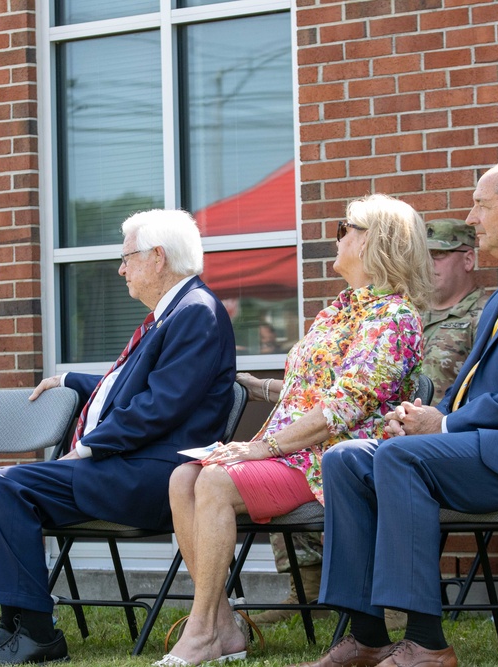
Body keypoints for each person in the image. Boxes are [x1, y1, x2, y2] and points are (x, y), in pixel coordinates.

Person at [304, 160, 498, 667]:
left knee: (403, 459)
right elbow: (470, 390)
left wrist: (444, 426)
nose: (470, 218)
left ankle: (427, 644)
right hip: (492, 447)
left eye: (481, 205)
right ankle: (367, 637)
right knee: (345, 458)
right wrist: (425, 415)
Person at [0, 209, 236, 667]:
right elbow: (129, 383)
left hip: (155, 475)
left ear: (157, 258)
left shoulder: (195, 314)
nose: (121, 269)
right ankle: (10, 622)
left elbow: (159, 407)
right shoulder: (172, 313)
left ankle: (38, 633)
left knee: (6, 485)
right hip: (127, 466)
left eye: (127, 258)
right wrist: (71, 381)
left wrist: (85, 448)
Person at [161, 193, 433, 667]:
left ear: (372, 241)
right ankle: (222, 625)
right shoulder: (338, 311)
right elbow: (311, 385)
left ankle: (202, 632)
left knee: (215, 480)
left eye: (344, 229)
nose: (337, 238)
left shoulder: (395, 320)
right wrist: (264, 389)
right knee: (182, 477)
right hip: (292, 452)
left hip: (333, 461)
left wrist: (259, 447)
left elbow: (342, 406)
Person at [253, 218, 487, 629]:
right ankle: (306, 588)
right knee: (307, 449)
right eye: (426, 253)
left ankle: (392, 602)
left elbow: (473, 389)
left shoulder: (474, 315)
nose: (430, 263)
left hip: (425, 432)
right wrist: (272, 390)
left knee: (346, 456)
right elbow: (327, 385)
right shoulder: (348, 311)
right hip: (363, 425)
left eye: (441, 255)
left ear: (468, 259)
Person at [421, 219, 489, 402]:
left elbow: (488, 393)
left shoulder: (486, 316)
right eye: (423, 256)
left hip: (450, 428)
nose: (427, 263)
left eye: (437, 254)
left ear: (468, 260)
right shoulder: (410, 314)